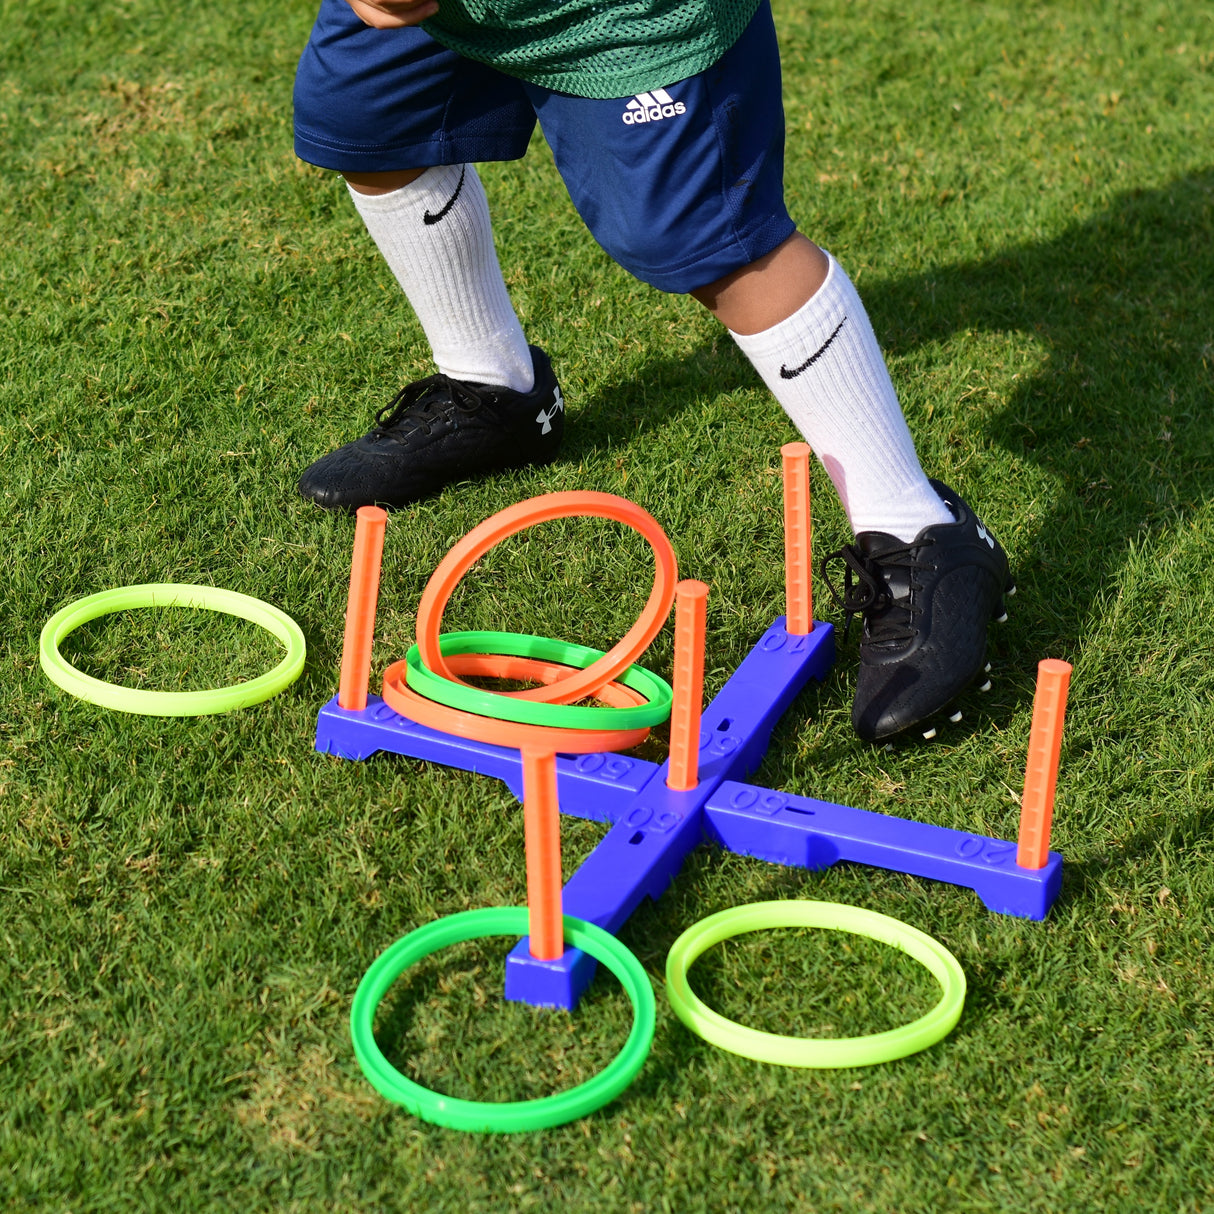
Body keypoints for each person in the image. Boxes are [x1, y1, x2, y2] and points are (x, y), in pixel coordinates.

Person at [291, 0, 1014, 741]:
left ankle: (920, 531)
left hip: (622, 17)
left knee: (710, 239)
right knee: (367, 122)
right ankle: (494, 391)